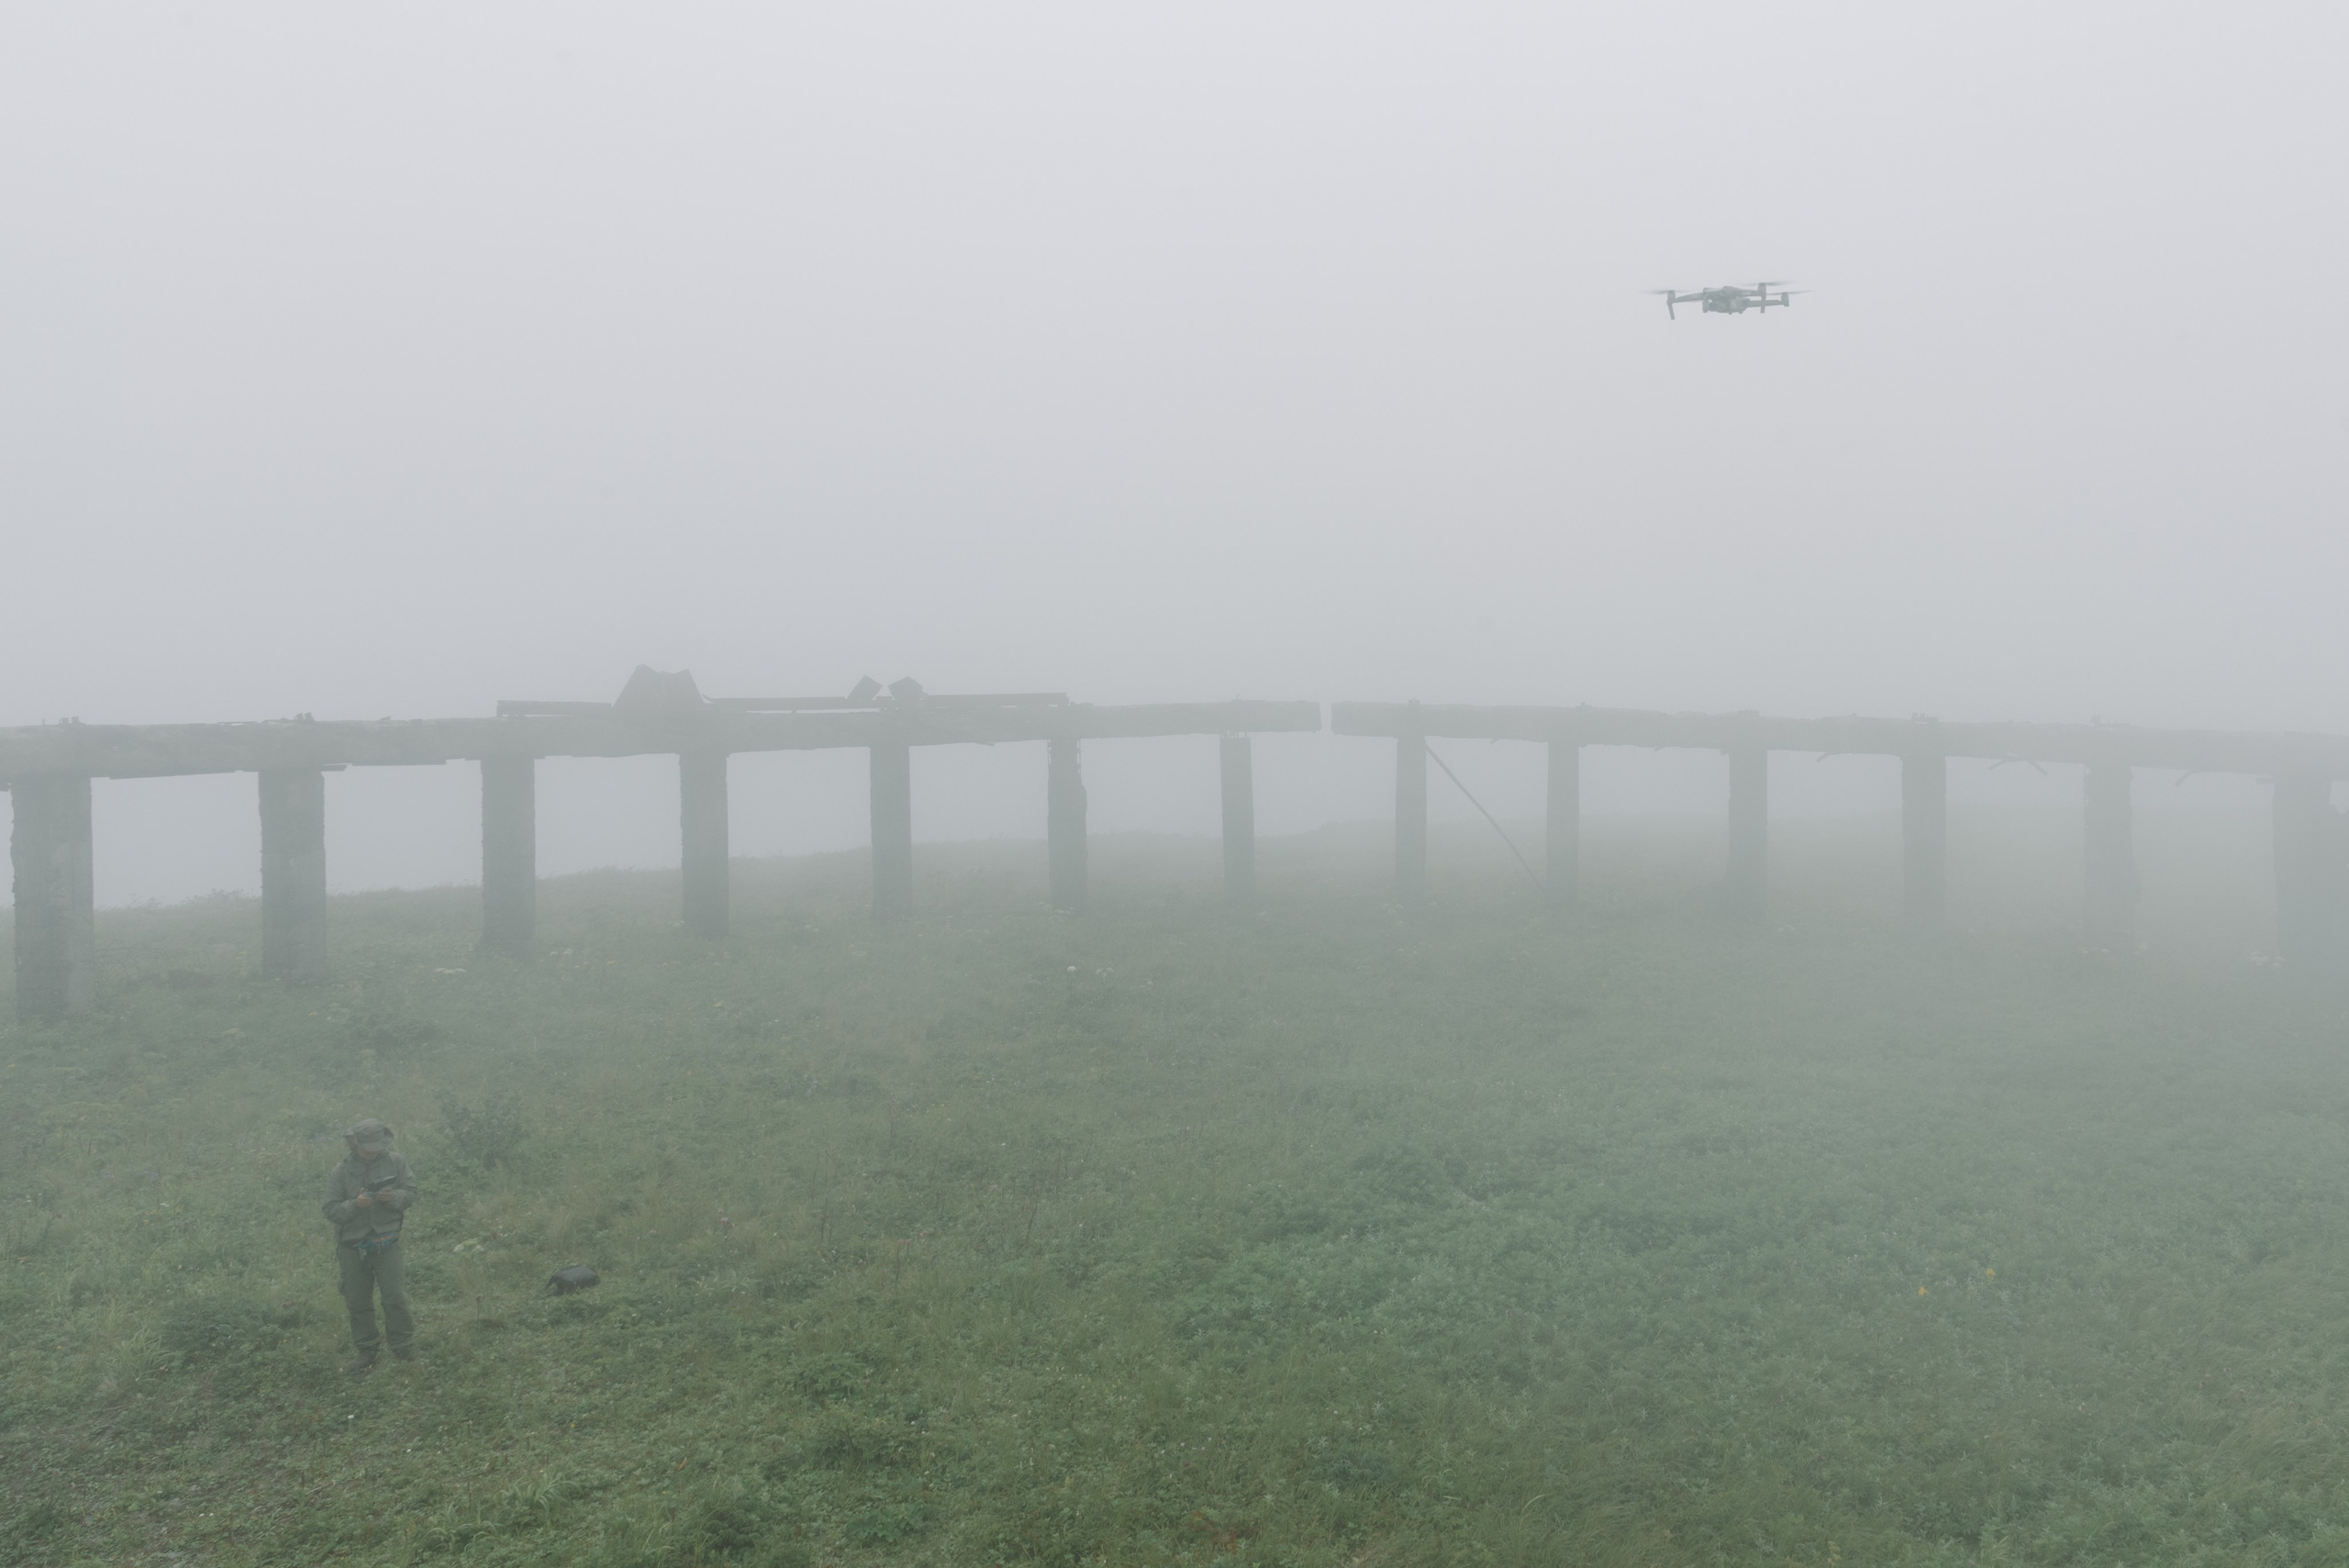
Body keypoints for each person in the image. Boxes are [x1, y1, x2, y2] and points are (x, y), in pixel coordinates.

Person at [322, 1118, 419, 1374]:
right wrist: (354, 1205)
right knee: (357, 1301)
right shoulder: (340, 1172)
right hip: (352, 1246)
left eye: (378, 1147)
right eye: (369, 1148)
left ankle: (403, 1345)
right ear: (355, 1145)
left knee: (395, 1297)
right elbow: (330, 1209)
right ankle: (367, 1349)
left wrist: (393, 1197)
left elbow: (410, 1191)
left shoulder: (396, 1162)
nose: (375, 1152)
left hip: (387, 1242)